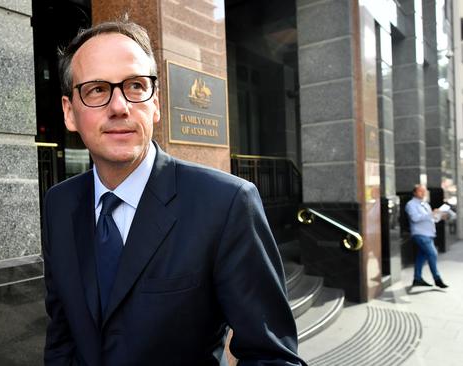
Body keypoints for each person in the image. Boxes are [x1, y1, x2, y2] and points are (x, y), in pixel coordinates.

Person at [41, 19, 305, 365]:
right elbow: (62, 335)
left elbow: (272, 357)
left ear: (157, 104)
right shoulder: (59, 203)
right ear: (68, 112)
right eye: (96, 90)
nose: (120, 106)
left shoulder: (225, 204)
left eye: (135, 86)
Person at [405, 184, 448, 288]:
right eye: (420, 191)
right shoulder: (411, 204)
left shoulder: (425, 204)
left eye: (424, 191)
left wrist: (439, 216)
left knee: (422, 256)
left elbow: (431, 219)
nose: (423, 193)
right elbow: (415, 218)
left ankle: (417, 278)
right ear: (415, 192)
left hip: (429, 234)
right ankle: (437, 278)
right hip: (420, 234)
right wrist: (430, 214)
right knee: (433, 254)